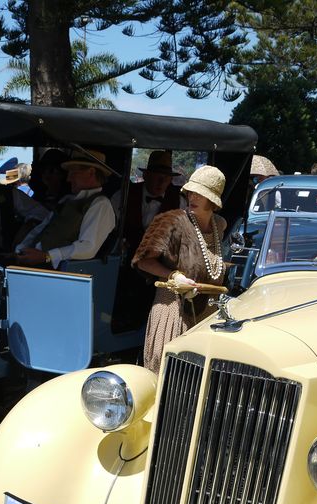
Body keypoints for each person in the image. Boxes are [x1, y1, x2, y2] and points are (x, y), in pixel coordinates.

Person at [132, 165, 227, 374]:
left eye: (200, 194)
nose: (192, 197)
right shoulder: (171, 221)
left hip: (207, 313)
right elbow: (143, 261)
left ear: (212, 200)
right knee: (166, 372)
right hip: (172, 309)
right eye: (190, 191)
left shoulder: (220, 225)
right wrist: (173, 275)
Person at [16, 149, 116, 269]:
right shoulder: (66, 200)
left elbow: (88, 247)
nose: (68, 179)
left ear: (90, 172)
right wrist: (20, 250)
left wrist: (47, 256)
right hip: (36, 264)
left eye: (73, 173)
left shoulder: (100, 204)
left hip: (58, 272)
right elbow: (42, 228)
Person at [123, 150, 184, 258]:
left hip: (160, 262)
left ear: (170, 180)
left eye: (166, 177)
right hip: (127, 258)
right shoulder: (125, 194)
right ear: (146, 175)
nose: (161, 181)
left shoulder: (179, 202)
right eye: (157, 176)